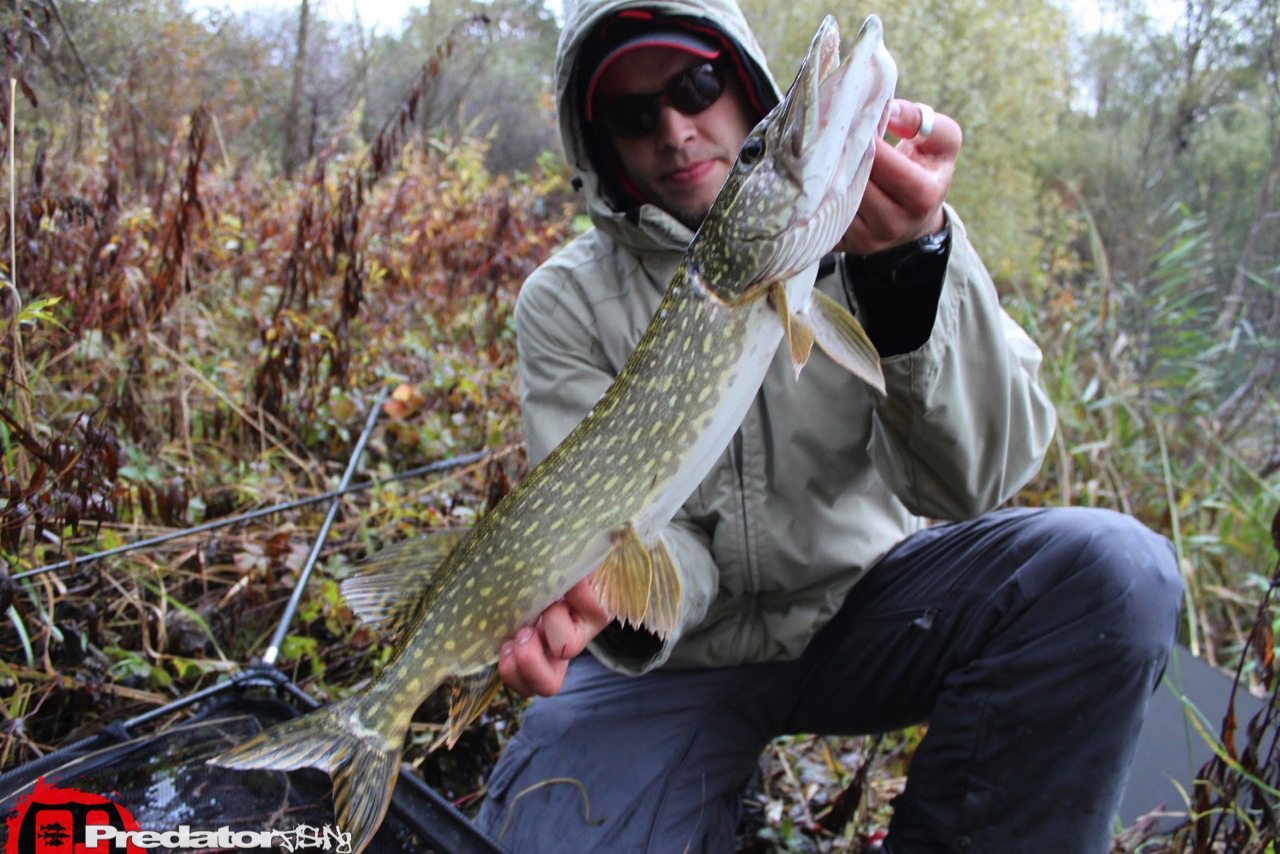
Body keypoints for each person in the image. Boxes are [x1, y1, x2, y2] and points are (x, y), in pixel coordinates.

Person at [475, 1, 1184, 850]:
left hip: (871, 611)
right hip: (684, 655)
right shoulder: (567, 301)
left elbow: (974, 482)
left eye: (696, 85)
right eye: (632, 115)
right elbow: (643, 538)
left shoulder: (871, 224)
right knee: (548, 829)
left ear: (741, 84)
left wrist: (910, 266)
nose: (674, 130)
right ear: (601, 145)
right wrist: (613, 597)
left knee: (1112, 571)